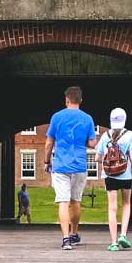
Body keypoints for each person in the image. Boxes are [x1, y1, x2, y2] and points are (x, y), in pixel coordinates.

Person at [44, 85, 96, 250]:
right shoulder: (87, 118)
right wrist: (84, 141)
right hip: (79, 165)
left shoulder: (57, 117)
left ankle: (66, 239)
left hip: (60, 165)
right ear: (80, 100)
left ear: (66, 99)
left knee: (63, 201)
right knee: (76, 201)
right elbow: (92, 143)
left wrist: (47, 161)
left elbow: (49, 142)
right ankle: (74, 233)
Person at [95, 107, 132, 251]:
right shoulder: (130, 135)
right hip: (125, 175)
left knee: (112, 209)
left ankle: (113, 242)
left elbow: (97, 158)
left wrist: (107, 161)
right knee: (126, 204)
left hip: (110, 176)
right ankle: (123, 235)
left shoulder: (104, 135)